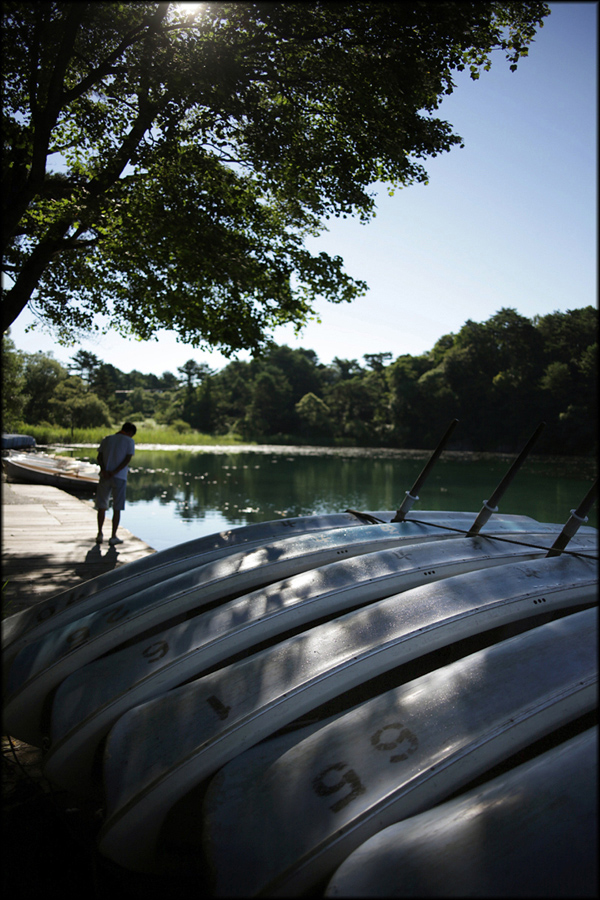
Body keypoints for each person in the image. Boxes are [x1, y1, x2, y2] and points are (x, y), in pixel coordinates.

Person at [95, 422, 136, 545]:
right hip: (119, 477)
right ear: (130, 432)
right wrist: (115, 472)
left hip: (104, 476)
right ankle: (113, 536)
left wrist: (104, 470)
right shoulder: (129, 441)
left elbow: (99, 457)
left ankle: (99, 534)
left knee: (102, 506)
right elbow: (127, 459)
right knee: (117, 507)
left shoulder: (107, 439)